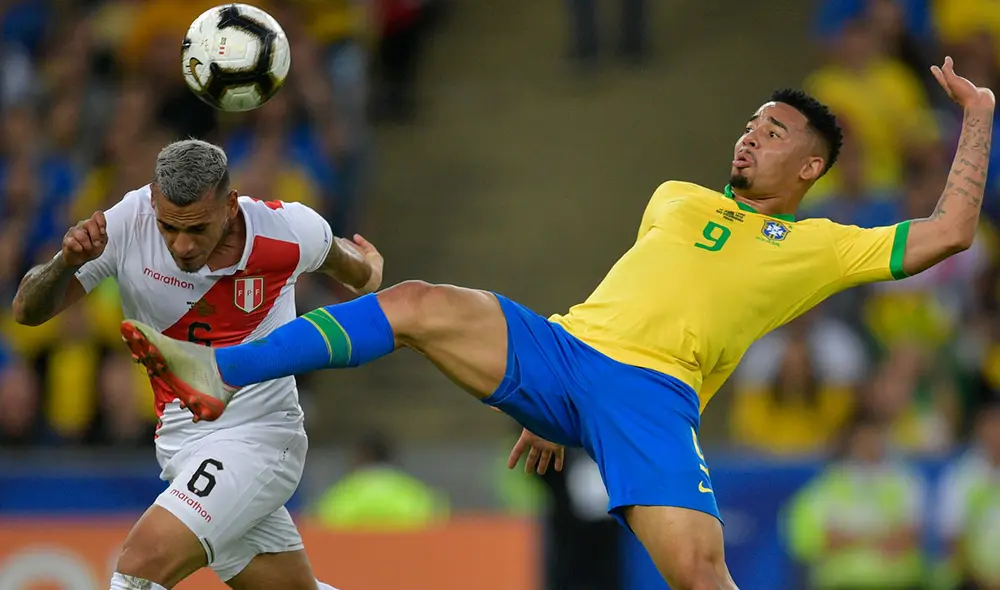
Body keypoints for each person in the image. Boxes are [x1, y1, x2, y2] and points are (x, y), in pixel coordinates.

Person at [117, 58, 994, 590]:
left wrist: (979, 117)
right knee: (417, 301)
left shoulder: (818, 246)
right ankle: (219, 368)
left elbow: (951, 231)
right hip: (566, 349)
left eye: (771, 132)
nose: (748, 138)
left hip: (650, 400)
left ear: (810, 164)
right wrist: (547, 406)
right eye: (748, 124)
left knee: (697, 574)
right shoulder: (678, 198)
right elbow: (634, 288)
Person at [10, 139, 380, 590]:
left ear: (229, 205)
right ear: (153, 200)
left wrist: (370, 266)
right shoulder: (127, 223)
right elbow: (26, 311)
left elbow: (359, 273)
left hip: (261, 438)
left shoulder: (286, 228)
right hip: (181, 446)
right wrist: (64, 264)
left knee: (139, 566)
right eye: (169, 227)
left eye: (197, 229)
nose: (182, 246)